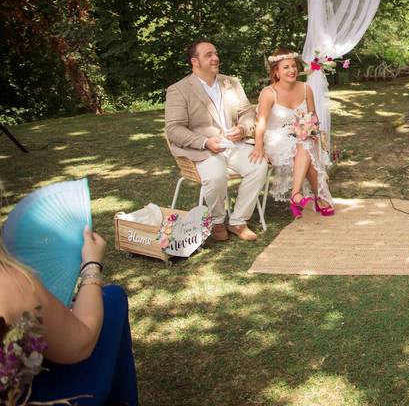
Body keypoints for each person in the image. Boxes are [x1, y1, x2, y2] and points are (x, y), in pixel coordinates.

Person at [0, 229, 138, 405]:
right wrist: (91, 264)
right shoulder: (13, 285)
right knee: (113, 300)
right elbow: (81, 343)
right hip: (29, 395)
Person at [164, 39, 268, 242]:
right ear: (195, 61)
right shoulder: (179, 89)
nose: (215, 58)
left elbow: (247, 113)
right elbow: (174, 129)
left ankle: (238, 220)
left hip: (234, 145)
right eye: (208, 55)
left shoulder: (231, 83)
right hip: (203, 149)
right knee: (216, 174)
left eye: (216, 53)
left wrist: (242, 128)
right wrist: (205, 142)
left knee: (259, 164)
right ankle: (217, 221)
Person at [250, 48, 334, 218]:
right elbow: (262, 122)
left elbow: (314, 116)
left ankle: (296, 195)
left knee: (306, 142)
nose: (292, 70)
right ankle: (319, 197)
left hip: (302, 134)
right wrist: (259, 146)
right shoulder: (268, 93)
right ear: (276, 72)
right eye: (286, 67)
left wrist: (313, 128)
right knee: (305, 144)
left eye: (294, 66)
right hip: (276, 137)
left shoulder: (305, 88)